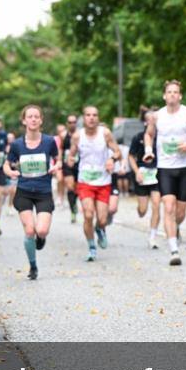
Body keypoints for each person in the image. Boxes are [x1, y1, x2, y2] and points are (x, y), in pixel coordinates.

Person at [143, 80, 186, 266]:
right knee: (169, 207)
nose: (172, 95)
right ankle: (174, 250)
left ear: (180, 96)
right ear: (164, 96)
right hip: (165, 166)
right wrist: (149, 150)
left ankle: (176, 226)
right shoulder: (156, 116)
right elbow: (149, 134)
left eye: (176, 92)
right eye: (169, 92)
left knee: (180, 211)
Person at [4, 105, 61, 280]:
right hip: (24, 191)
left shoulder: (49, 141)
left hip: (43, 191)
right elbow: (6, 164)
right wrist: (10, 172)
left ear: (41, 120)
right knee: (30, 230)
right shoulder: (17, 145)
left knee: (41, 230)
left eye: (37, 116)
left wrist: (56, 167)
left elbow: (58, 160)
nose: (34, 119)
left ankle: (41, 238)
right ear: (24, 121)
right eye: (30, 116)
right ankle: (33, 266)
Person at [67, 106, 121, 262]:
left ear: (98, 118)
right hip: (85, 181)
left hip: (103, 181)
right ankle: (91, 247)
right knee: (88, 214)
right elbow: (71, 154)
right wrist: (70, 160)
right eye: (88, 115)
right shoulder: (77, 136)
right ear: (83, 118)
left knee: (102, 219)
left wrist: (112, 159)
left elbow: (117, 151)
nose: (91, 118)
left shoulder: (105, 133)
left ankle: (99, 229)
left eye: (95, 115)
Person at [129, 109, 161, 249]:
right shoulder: (138, 137)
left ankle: (152, 237)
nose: (153, 121)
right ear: (145, 122)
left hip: (156, 175)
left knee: (156, 205)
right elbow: (131, 156)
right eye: (150, 119)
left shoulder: (161, 137)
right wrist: (136, 172)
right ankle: (140, 209)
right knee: (143, 210)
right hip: (142, 175)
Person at [61, 114, 80, 223]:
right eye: (70, 122)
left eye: (74, 122)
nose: (72, 124)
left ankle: (74, 203)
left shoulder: (80, 135)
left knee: (77, 188)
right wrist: (59, 161)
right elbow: (60, 149)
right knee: (70, 186)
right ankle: (73, 209)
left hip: (79, 164)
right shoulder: (63, 135)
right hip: (67, 164)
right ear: (67, 124)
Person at [4, 132, 18, 215]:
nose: (10, 140)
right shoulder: (2, 148)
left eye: (12, 138)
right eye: (9, 138)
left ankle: (10, 206)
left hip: (13, 172)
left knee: (13, 190)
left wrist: (16, 165)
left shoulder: (16, 148)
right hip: (3, 172)